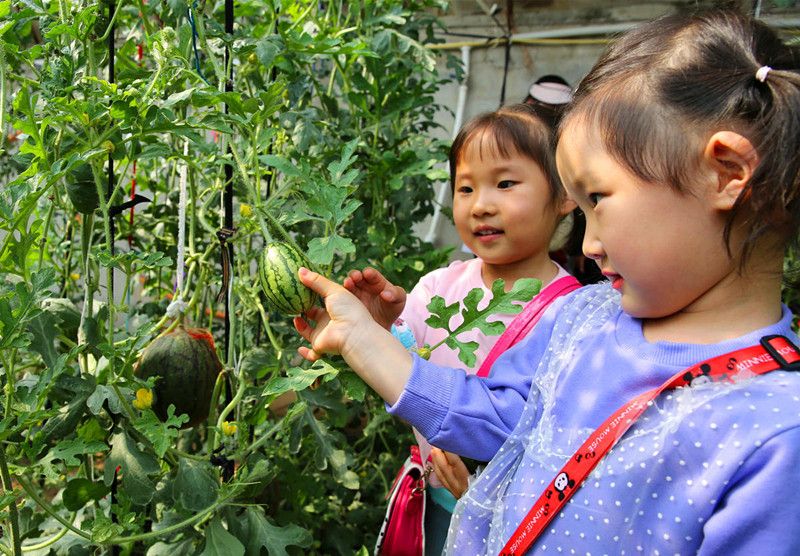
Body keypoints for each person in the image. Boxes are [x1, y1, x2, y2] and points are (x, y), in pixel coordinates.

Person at [294, 9, 800, 554]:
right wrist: (361, 338)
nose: (588, 244)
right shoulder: (585, 319)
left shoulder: (775, 436)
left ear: (726, 173)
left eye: (598, 200)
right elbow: (486, 417)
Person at [343, 103, 579, 554]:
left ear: (566, 192)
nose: (481, 205)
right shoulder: (438, 286)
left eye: (505, 184)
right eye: (465, 188)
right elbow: (400, 356)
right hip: (433, 499)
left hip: (517, 518)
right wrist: (381, 325)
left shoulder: (572, 310)